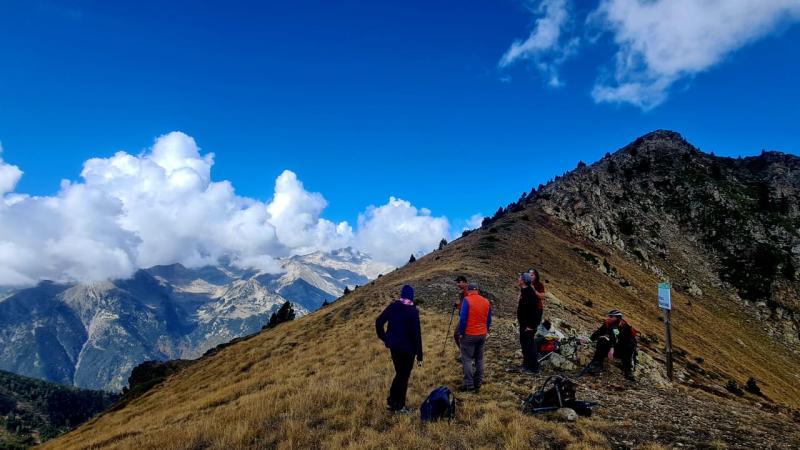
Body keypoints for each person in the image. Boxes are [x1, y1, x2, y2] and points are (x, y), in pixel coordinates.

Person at [375, 285, 424, 413]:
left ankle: (392, 403)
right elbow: (416, 335)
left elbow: (379, 322)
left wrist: (385, 338)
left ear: (402, 294)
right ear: (412, 296)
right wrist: (419, 356)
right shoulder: (413, 311)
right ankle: (398, 406)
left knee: (400, 374)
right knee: (403, 376)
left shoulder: (393, 307)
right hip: (408, 351)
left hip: (395, 348)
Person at [456, 284, 492, 392]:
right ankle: (478, 382)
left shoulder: (467, 300)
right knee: (479, 359)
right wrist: (486, 330)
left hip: (469, 334)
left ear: (469, 290)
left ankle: (469, 384)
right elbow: (489, 319)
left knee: (467, 359)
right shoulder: (486, 301)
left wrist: (461, 333)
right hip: (482, 334)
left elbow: (463, 318)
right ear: (477, 291)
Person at [587, 309, 637, 381]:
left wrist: (612, 348)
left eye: (611, 316)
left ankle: (628, 370)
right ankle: (597, 365)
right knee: (602, 340)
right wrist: (589, 339)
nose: (608, 318)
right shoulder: (608, 324)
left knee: (630, 346)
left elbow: (616, 337)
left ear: (617, 318)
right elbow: (599, 332)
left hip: (622, 350)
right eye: (609, 316)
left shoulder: (625, 326)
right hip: (612, 347)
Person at [517, 272, 543, 373]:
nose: (518, 279)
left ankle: (534, 367)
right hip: (524, 324)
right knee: (524, 345)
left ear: (523, 281)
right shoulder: (524, 291)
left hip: (528, 325)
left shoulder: (529, 293)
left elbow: (536, 311)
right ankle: (526, 364)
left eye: (519, 278)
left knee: (529, 345)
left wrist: (531, 326)